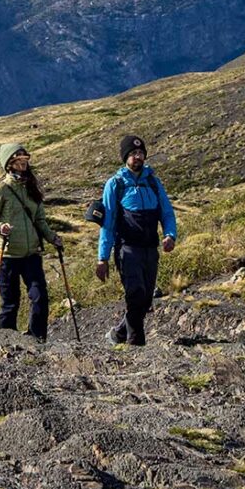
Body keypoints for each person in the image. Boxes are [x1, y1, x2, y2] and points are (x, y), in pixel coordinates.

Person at [94, 134, 176, 346]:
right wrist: (102, 258)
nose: (137, 157)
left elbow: (167, 212)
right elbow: (108, 223)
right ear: (125, 157)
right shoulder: (115, 184)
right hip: (127, 249)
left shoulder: (153, 182)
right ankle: (135, 346)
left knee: (146, 299)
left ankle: (118, 334)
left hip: (150, 248)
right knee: (135, 295)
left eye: (140, 153)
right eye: (133, 154)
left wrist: (170, 235)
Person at [0, 142, 63, 341]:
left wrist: (52, 237)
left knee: (40, 297)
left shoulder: (31, 189)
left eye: (25, 161)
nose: (23, 165)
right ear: (9, 164)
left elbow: (39, 221)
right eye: (18, 162)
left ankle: (37, 338)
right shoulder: (0, 189)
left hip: (31, 254)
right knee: (10, 302)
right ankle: (5, 341)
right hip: (6, 254)